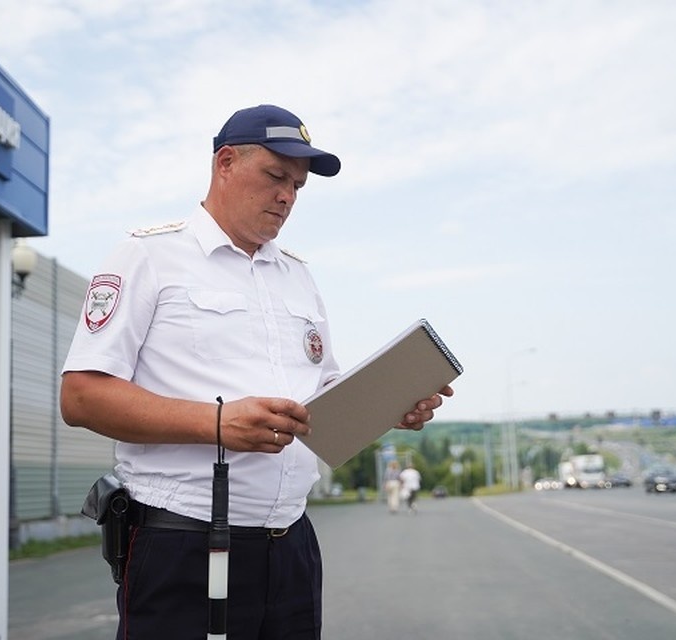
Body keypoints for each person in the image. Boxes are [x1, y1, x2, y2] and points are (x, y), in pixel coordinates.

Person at [60, 104, 453, 640]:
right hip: (184, 544)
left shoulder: (298, 277)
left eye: (297, 185)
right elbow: (81, 396)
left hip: (290, 546)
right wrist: (217, 423)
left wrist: (389, 405)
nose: (287, 196)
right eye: (275, 176)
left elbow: (323, 399)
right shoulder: (149, 256)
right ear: (225, 163)